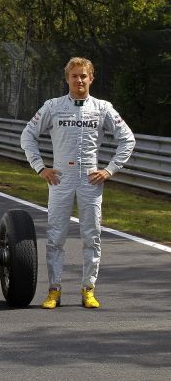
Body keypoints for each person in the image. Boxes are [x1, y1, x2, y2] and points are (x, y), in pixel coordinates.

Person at [21, 57, 135, 309]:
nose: (79, 80)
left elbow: (128, 139)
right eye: (74, 76)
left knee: (91, 236)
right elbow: (27, 135)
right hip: (60, 179)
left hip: (90, 180)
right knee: (55, 237)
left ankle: (88, 289)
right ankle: (54, 290)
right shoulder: (52, 106)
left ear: (91, 78)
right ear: (67, 79)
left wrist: (110, 170)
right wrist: (40, 167)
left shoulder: (103, 108)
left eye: (83, 75)